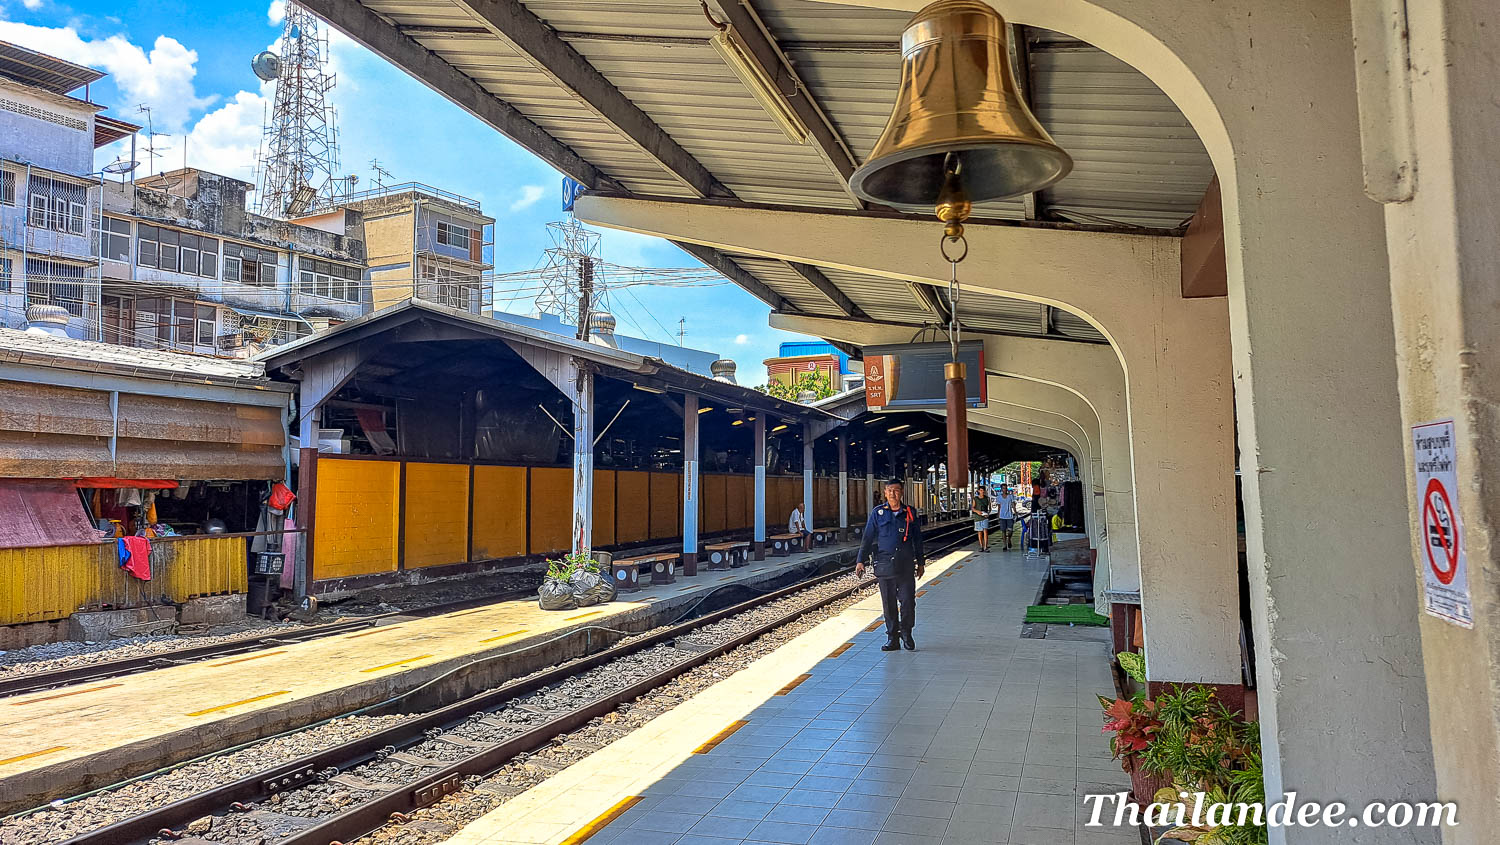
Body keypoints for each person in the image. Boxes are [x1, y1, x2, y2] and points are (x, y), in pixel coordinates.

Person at [855, 479, 926, 651]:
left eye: (896, 490)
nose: (893, 494)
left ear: (902, 492)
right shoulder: (878, 513)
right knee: (888, 604)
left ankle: (906, 632)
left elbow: (917, 539)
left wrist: (921, 562)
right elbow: (868, 538)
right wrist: (860, 560)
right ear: (885, 493)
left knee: (908, 601)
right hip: (885, 565)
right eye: (889, 490)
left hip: (906, 565)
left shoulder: (909, 512)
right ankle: (892, 638)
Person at [996, 484, 1019, 551]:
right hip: (1002, 516)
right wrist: (998, 515)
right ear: (1001, 489)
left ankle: (1009, 539)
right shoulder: (999, 497)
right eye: (1003, 488)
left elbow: (1013, 505)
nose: (1005, 490)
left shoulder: (1010, 496)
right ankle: (1004, 544)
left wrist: (1015, 511)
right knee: (1003, 531)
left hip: (1009, 516)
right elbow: (999, 507)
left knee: (1010, 530)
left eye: (1006, 488)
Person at [971, 486, 992, 552]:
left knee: (985, 531)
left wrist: (988, 513)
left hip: (985, 517)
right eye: (981, 490)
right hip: (977, 517)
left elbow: (990, 508)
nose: (982, 492)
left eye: (983, 490)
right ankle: (981, 546)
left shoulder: (987, 499)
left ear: (985, 491)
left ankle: (985, 546)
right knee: (979, 532)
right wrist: (977, 511)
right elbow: (972, 508)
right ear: (978, 491)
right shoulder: (975, 499)